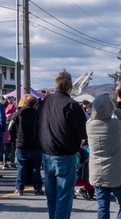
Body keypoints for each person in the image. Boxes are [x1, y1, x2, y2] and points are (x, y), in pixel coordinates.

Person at [37, 70, 88, 219]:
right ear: (70, 86)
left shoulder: (45, 102)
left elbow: (37, 125)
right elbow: (82, 132)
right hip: (65, 155)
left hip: (47, 153)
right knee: (63, 200)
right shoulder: (71, 105)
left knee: (52, 198)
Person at [86, 94, 121, 219]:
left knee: (102, 206)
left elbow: (92, 116)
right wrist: (116, 109)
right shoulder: (115, 124)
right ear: (110, 108)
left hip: (97, 172)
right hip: (116, 171)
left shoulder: (89, 125)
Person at [9, 94, 43, 196]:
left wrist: (14, 139)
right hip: (35, 144)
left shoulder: (18, 114)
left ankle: (20, 188)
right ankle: (38, 188)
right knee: (36, 167)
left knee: (22, 167)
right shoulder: (38, 114)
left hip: (21, 144)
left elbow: (11, 127)